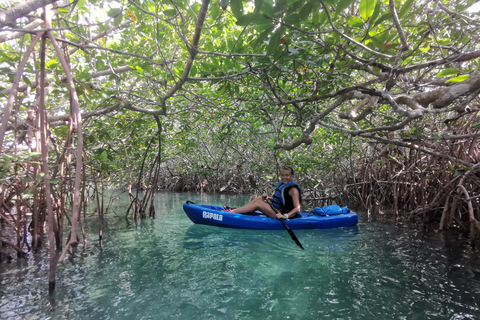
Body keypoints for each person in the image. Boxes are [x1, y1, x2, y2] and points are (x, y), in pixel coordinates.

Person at [226, 166, 302, 220]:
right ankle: (239, 210)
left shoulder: (293, 189)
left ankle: (231, 212)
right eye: (282, 175)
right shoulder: (282, 184)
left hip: (282, 214)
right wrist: (270, 198)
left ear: (291, 176)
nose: (284, 177)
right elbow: (281, 200)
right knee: (260, 198)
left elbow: (297, 208)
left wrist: (286, 216)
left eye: (287, 175)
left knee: (258, 204)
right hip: (277, 209)